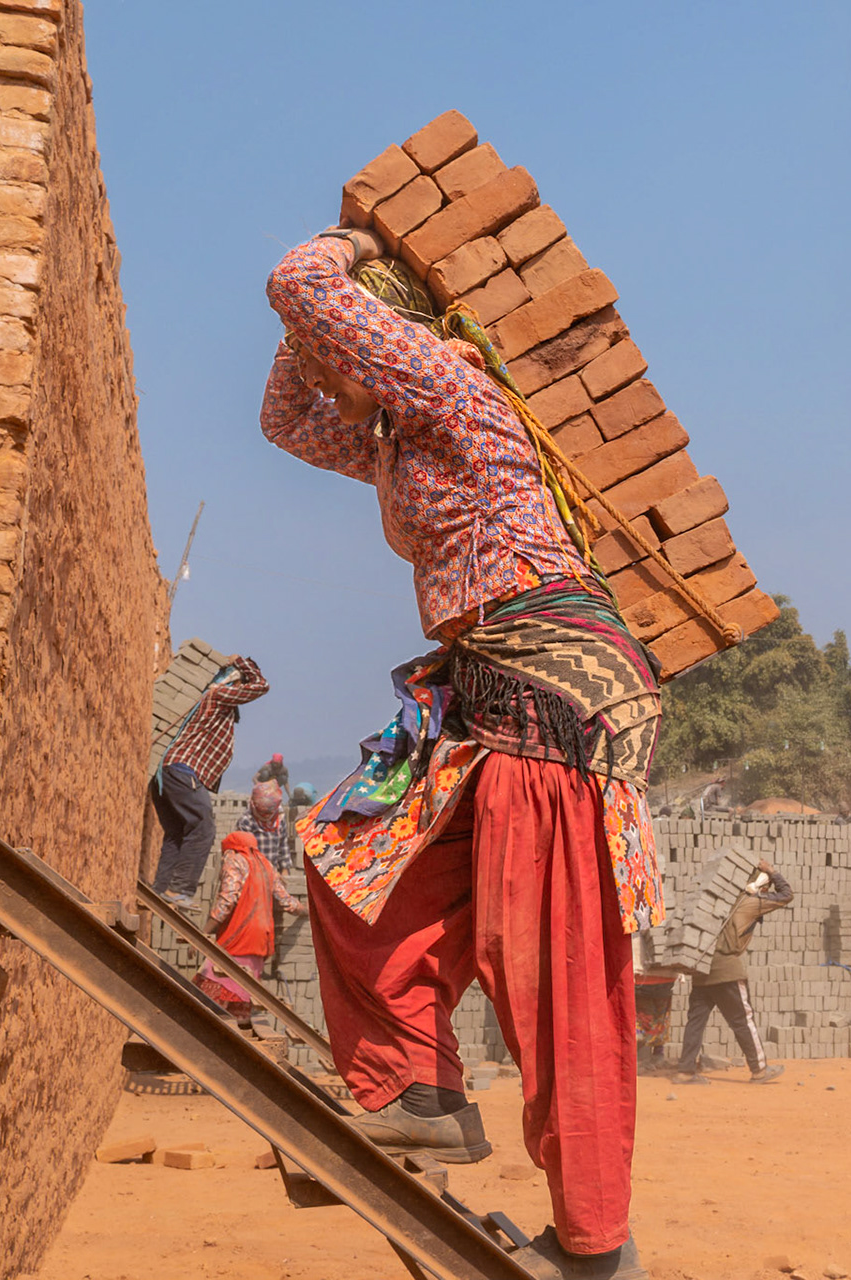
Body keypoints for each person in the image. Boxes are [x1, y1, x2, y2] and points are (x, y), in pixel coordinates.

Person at [263, 228, 663, 1270]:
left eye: (343, 345)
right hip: (484, 697)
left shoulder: (448, 382)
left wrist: (353, 233)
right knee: (351, 864)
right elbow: (282, 419)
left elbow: (298, 281)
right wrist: (306, 341)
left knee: (548, 967)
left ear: (386, 329)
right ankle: (418, 1089)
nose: (329, 368)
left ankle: (595, 1246)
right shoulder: (397, 428)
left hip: (556, 691)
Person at [151, 657, 270, 908]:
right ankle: (180, 890)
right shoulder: (218, 695)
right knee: (203, 829)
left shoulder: (215, 702)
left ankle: (161, 888)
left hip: (169, 774)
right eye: (238, 683)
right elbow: (261, 686)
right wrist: (241, 663)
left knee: (176, 834)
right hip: (184, 772)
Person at [674, 861, 793, 1085]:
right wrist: (773, 872)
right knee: (743, 1020)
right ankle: (759, 1070)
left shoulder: (716, 903)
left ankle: (685, 1071)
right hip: (726, 970)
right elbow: (786, 894)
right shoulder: (750, 902)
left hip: (702, 969)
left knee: (695, 1022)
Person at [194, 830, 307, 1029]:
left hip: (238, 936)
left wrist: (203, 933)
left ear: (231, 848)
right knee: (241, 1002)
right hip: (260, 940)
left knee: (206, 998)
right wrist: (306, 911)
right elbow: (285, 900)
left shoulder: (235, 860)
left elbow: (227, 900)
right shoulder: (266, 865)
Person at [236, 779, 294, 873]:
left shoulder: (279, 818)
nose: (267, 816)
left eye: (269, 813)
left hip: (273, 872)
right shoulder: (247, 821)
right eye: (264, 812)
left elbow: (283, 848)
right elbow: (245, 853)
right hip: (253, 873)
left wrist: (284, 871)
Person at [633, 974, 676, 1074]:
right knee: (647, 1021)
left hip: (659, 983)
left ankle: (656, 1056)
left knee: (657, 1021)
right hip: (650, 983)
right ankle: (641, 1060)